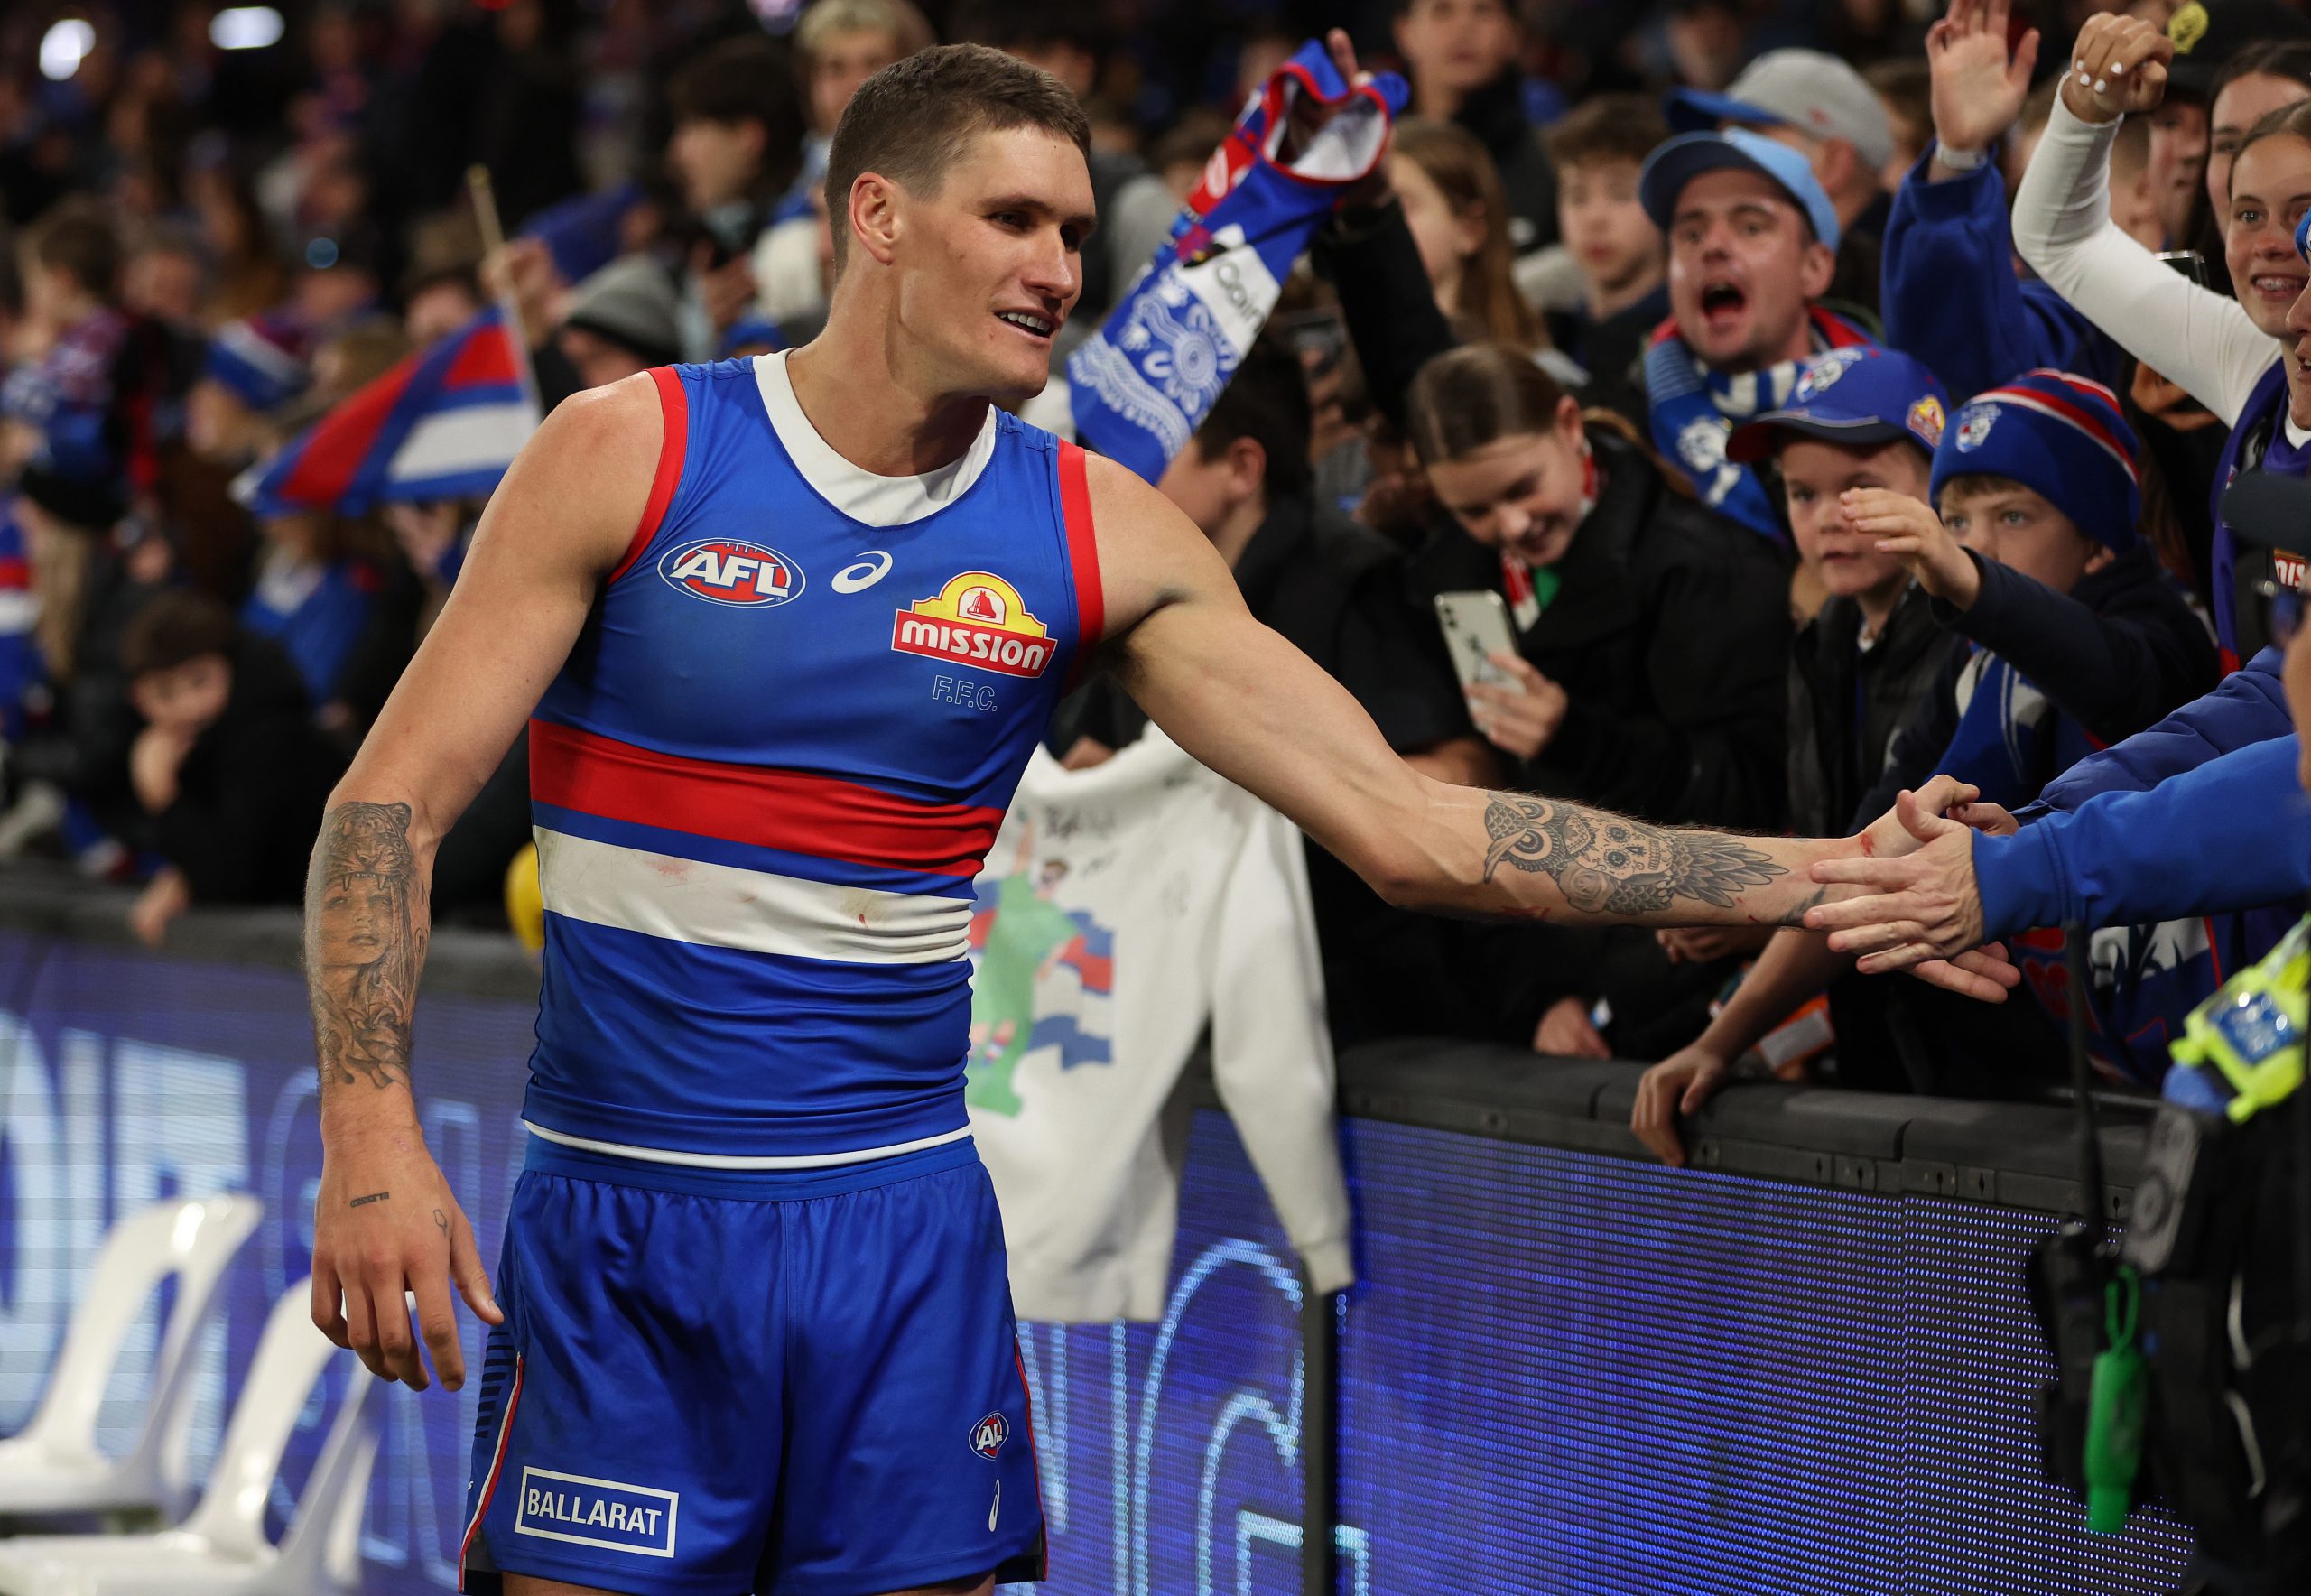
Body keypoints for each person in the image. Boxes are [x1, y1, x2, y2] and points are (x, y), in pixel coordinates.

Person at [303, 45, 2021, 1596]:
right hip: (629, 1221)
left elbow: (1408, 826)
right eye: (1016, 219)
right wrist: (371, 1138)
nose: (1060, 267)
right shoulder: (632, 452)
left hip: (906, 1240)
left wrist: (1819, 867)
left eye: (1073, 229)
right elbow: (385, 805)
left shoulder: (1094, 531)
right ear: (878, 219)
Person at [1636, 369, 2221, 1148]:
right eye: (1954, 519)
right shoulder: (1971, 663)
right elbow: (1866, 853)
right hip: (2063, 1103)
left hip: (2204, 1090)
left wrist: (1969, 582)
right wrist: (1724, 1037)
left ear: (2098, 538)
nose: (1972, 541)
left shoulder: (2165, 631)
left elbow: (2112, 678)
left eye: (2012, 515)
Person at [2012, 11, 2311, 659]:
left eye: (2305, 216)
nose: (2272, 246)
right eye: (2249, 213)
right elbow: (2058, 240)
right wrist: (2086, 113)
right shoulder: (2250, 356)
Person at [1880, 0, 2132, 404]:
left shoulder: (2189, 312)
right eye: (2027, 193)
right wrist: (1958, 156)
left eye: (2054, 192)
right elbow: (1963, 360)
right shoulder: (2058, 318)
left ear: (2144, 192)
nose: (2030, 218)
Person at [1637, 125, 1877, 543]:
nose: (1712, 247)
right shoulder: (1625, 428)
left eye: (1750, 227)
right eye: (1691, 234)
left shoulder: (1893, 418)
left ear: (1814, 269)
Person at [118, 589, 343, 946]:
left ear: (231, 664)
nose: (189, 706)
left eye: (199, 680)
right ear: (139, 698)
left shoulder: (271, 740)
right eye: (165, 692)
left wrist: (163, 796)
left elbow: (232, 880)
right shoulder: (205, 745)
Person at [1665, 47, 1897, 314]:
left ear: (1833, 163)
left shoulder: (1906, 280)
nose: (1724, 153)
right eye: (1723, 136)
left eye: (1749, 136)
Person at [1541, 94, 1672, 427]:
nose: (1594, 219)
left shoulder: (1683, 345)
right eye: (1577, 196)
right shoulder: (1549, 331)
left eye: (1621, 194)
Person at [1391, 0, 1557, 255]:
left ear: (1514, 34)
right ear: (1405, 32)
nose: (1463, 28)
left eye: (1483, 10)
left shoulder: (1549, 162)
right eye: (1442, 10)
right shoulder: (1375, 157)